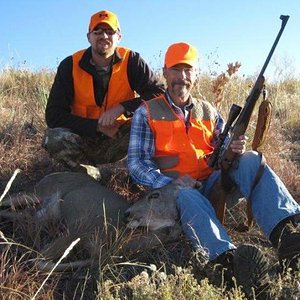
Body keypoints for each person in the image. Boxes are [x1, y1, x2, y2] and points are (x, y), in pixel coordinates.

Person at [127, 42, 300, 297]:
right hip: (174, 195)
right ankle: (226, 264)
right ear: (165, 73)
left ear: (196, 75)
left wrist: (234, 149)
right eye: (176, 70)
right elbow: (136, 164)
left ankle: (289, 239)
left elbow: (221, 148)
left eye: (188, 70)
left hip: (211, 186)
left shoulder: (208, 110)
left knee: (252, 159)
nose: (182, 77)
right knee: (186, 195)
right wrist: (169, 184)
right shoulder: (147, 112)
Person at [43, 10, 164, 170]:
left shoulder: (132, 61)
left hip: (120, 136)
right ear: (89, 37)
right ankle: (87, 173)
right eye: (97, 31)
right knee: (53, 138)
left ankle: (140, 172)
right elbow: (53, 115)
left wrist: (123, 107)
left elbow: (159, 95)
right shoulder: (70, 65)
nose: (104, 36)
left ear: (119, 36)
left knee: (155, 125)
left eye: (109, 31)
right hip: (83, 137)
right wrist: (96, 126)